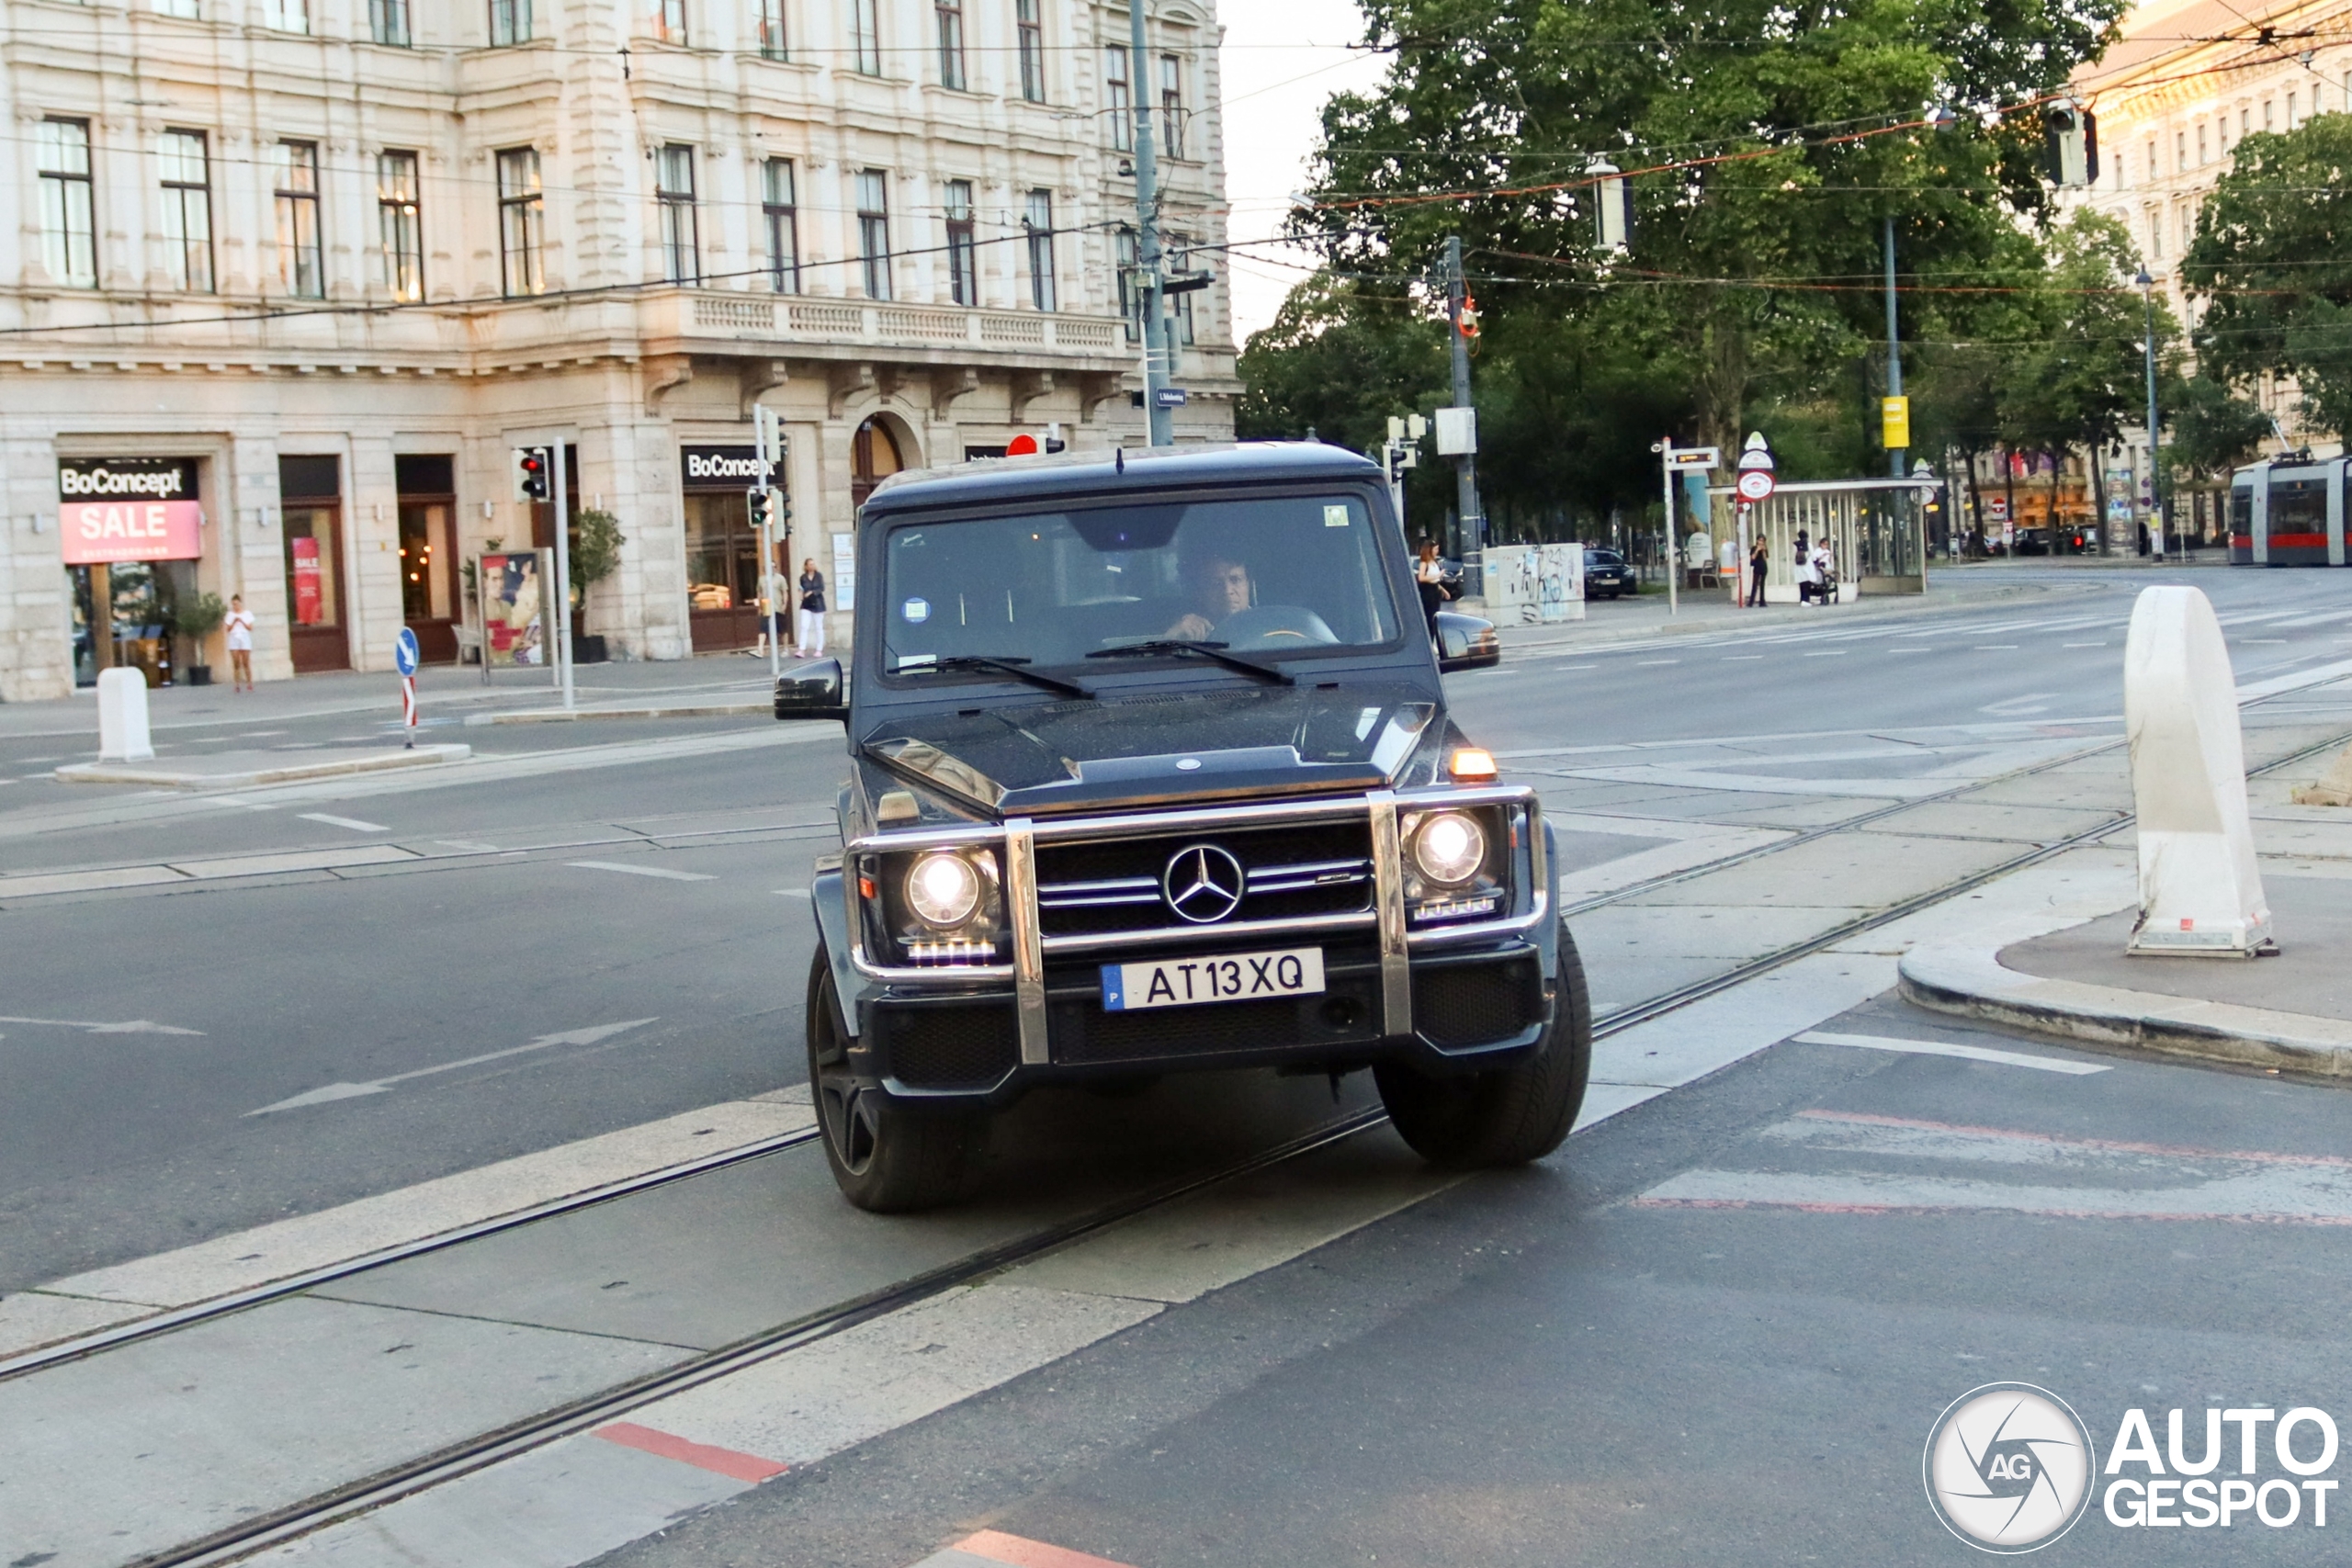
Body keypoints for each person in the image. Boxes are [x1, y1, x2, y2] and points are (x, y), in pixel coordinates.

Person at [1165, 551, 1252, 641]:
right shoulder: (1190, 633)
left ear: (1249, 584)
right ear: (1200, 593)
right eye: (1216, 583)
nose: (1227, 591)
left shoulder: (1265, 627)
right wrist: (1172, 640)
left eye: (1235, 580)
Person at [795, 558, 826, 658]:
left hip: (818, 604)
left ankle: (819, 649)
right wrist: (800, 593)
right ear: (806, 566)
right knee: (804, 626)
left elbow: (822, 588)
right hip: (806, 604)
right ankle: (801, 649)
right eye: (810, 564)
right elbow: (801, 587)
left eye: (813, 564)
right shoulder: (803, 577)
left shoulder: (819, 576)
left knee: (818, 627)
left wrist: (812, 592)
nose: (812, 566)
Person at [223, 594, 255, 690]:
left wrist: (241, 621)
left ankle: (249, 683)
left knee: (246, 661)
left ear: (240, 603)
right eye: (233, 604)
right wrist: (234, 622)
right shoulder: (230, 614)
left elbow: (250, 628)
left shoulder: (247, 614)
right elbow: (228, 629)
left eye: (236, 604)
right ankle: (236, 684)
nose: (235, 606)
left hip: (244, 637)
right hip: (234, 637)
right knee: (236, 662)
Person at [1414, 538, 1447, 628]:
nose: (1437, 551)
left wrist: (1443, 591)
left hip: (1435, 590)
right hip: (1427, 591)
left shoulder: (1434, 562)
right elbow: (1421, 578)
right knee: (1430, 615)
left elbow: (1435, 582)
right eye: (1435, 549)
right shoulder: (1424, 563)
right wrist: (1438, 575)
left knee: (1436, 615)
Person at [1747, 535, 1769, 608]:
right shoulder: (1754, 548)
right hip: (1757, 567)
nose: (1761, 542)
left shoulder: (1765, 548)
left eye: (1762, 541)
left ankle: (1762, 601)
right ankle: (1751, 601)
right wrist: (1757, 550)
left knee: (1762, 585)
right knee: (1755, 584)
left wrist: (1763, 551)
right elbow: (1753, 557)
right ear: (1757, 540)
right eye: (1759, 540)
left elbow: (1765, 558)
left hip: (1763, 567)